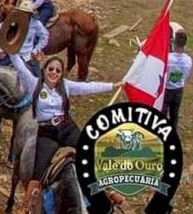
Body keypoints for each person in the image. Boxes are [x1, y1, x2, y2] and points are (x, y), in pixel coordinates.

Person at [11, 53, 120, 213]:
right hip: (47, 131)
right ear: (44, 70)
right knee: (38, 171)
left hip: (66, 127)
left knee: (89, 152)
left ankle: (108, 190)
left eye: (58, 70)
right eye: (51, 69)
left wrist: (112, 85)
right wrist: (11, 50)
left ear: (61, 73)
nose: (54, 72)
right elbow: (20, 67)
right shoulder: (35, 84)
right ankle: (28, 206)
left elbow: (88, 87)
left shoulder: (66, 85)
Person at [0, 0, 49, 77]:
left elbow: (45, 36)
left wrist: (36, 50)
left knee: (37, 79)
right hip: (10, 55)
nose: (24, 14)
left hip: (27, 56)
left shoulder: (36, 24)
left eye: (27, 13)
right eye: (22, 12)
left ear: (30, 14)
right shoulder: (12, 20)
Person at [163, 30, 191, 131]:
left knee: (163, 114)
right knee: (174, 114)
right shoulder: (188, 60)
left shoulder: (168, 58)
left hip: (167, 89)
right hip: (178, 90)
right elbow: (186, 75)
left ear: (174, 42)